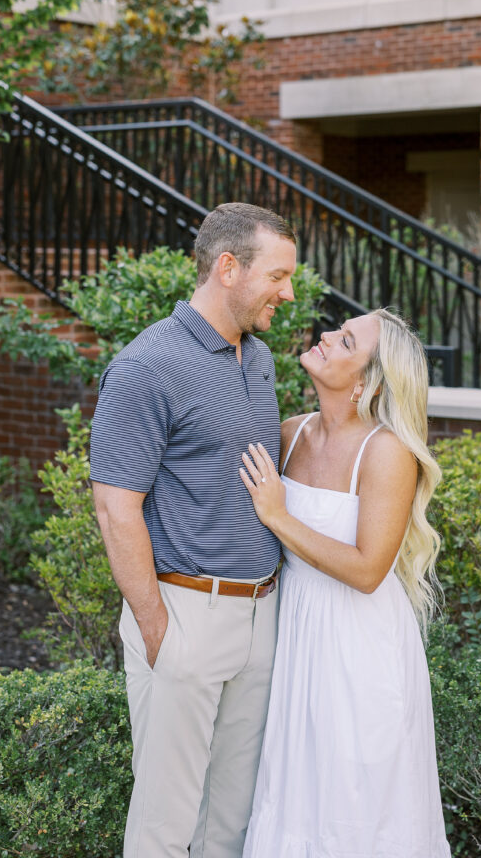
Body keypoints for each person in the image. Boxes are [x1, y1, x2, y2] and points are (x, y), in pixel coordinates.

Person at [89, 202, 297, 858]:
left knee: (227, 824)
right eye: (278, 276)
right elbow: (115, 506)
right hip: (184, 614)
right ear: (228, 268)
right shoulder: (147, 365)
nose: (288, 293)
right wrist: (157, 629)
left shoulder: (257, 358)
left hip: (259, 616)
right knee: (164, 828)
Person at [239, 308, 451, 858]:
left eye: (347, 339)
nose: (327, 336)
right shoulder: (289, 434)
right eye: (338, 329)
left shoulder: (386, 452)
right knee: (294, 796)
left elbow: (367, 569)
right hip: (295, 638)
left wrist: (279, 516)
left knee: (354, 806)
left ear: (367, 381)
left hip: (360, 648)